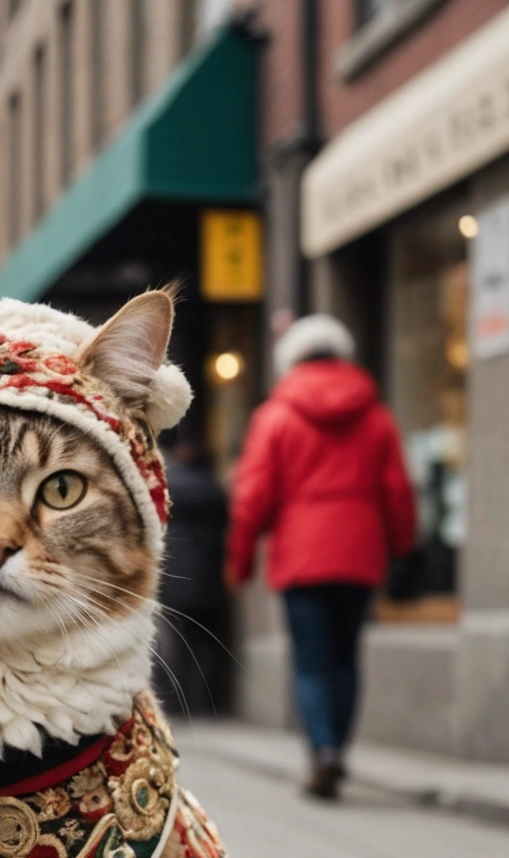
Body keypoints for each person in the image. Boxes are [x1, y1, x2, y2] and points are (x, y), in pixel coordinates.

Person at [228, 314, 415, 800]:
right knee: (346, 657)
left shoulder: (275, 416)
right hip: (359, 554)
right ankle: (337, 750)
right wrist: (403, 546)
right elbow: (397, 490)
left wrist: (241, 558)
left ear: (290, 360)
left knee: (311, 660)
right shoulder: (377, 416)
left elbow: (253, 494)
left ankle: (323, 750)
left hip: (301, 557)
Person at [154, 432, 231, 721]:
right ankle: (208, 701)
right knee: (206, 643)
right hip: (208, 577)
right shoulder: (214, 489)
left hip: (174, 576)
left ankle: (177, 702)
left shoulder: (166, 488)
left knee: (174, 641)